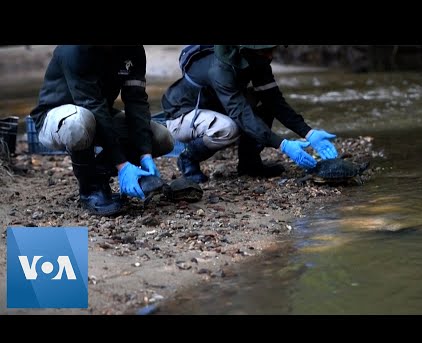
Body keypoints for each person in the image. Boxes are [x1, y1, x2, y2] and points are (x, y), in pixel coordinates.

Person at [160, 45, 338, 184]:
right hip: (182, 114)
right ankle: (188, 159)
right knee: (228, 128)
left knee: (264, 102)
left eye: (272, 50)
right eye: (266, 51)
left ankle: (249, 164)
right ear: (245, 50)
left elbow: (275, 102)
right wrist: (282, 145)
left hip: (218, 107)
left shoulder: (257, 60)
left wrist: (308, 132)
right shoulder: (220, 68)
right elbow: (240, 113)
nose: (271, 55)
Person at [30, 45, 174, 216]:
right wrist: (122, 164)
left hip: (99, 112)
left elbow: (136, 101)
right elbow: (91, 105)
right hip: (58, 117)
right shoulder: (75, 49)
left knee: (161, 137)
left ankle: (98, 172)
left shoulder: (133, 49)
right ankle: (90, 188)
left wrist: (145, 153)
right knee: (79, 121)